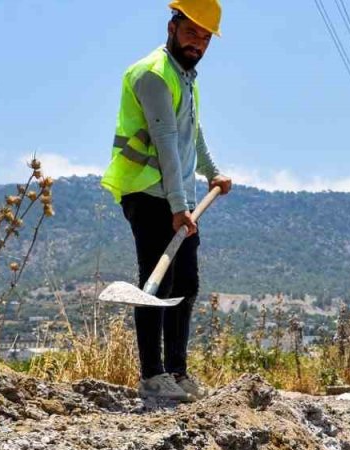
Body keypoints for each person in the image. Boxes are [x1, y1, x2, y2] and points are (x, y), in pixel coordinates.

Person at [101, 0, 233, 402]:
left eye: (205, 37)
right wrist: (178, 207)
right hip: (148, 191)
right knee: (157, 283)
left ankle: (177, 371)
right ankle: (152, 374)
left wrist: (212, 171)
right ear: (172, 26)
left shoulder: (185, 77)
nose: (198, 43)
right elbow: (166, 143)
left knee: (186, 283)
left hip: (178, 196)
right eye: (192, 32)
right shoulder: (154, 75)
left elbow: (193, 131)